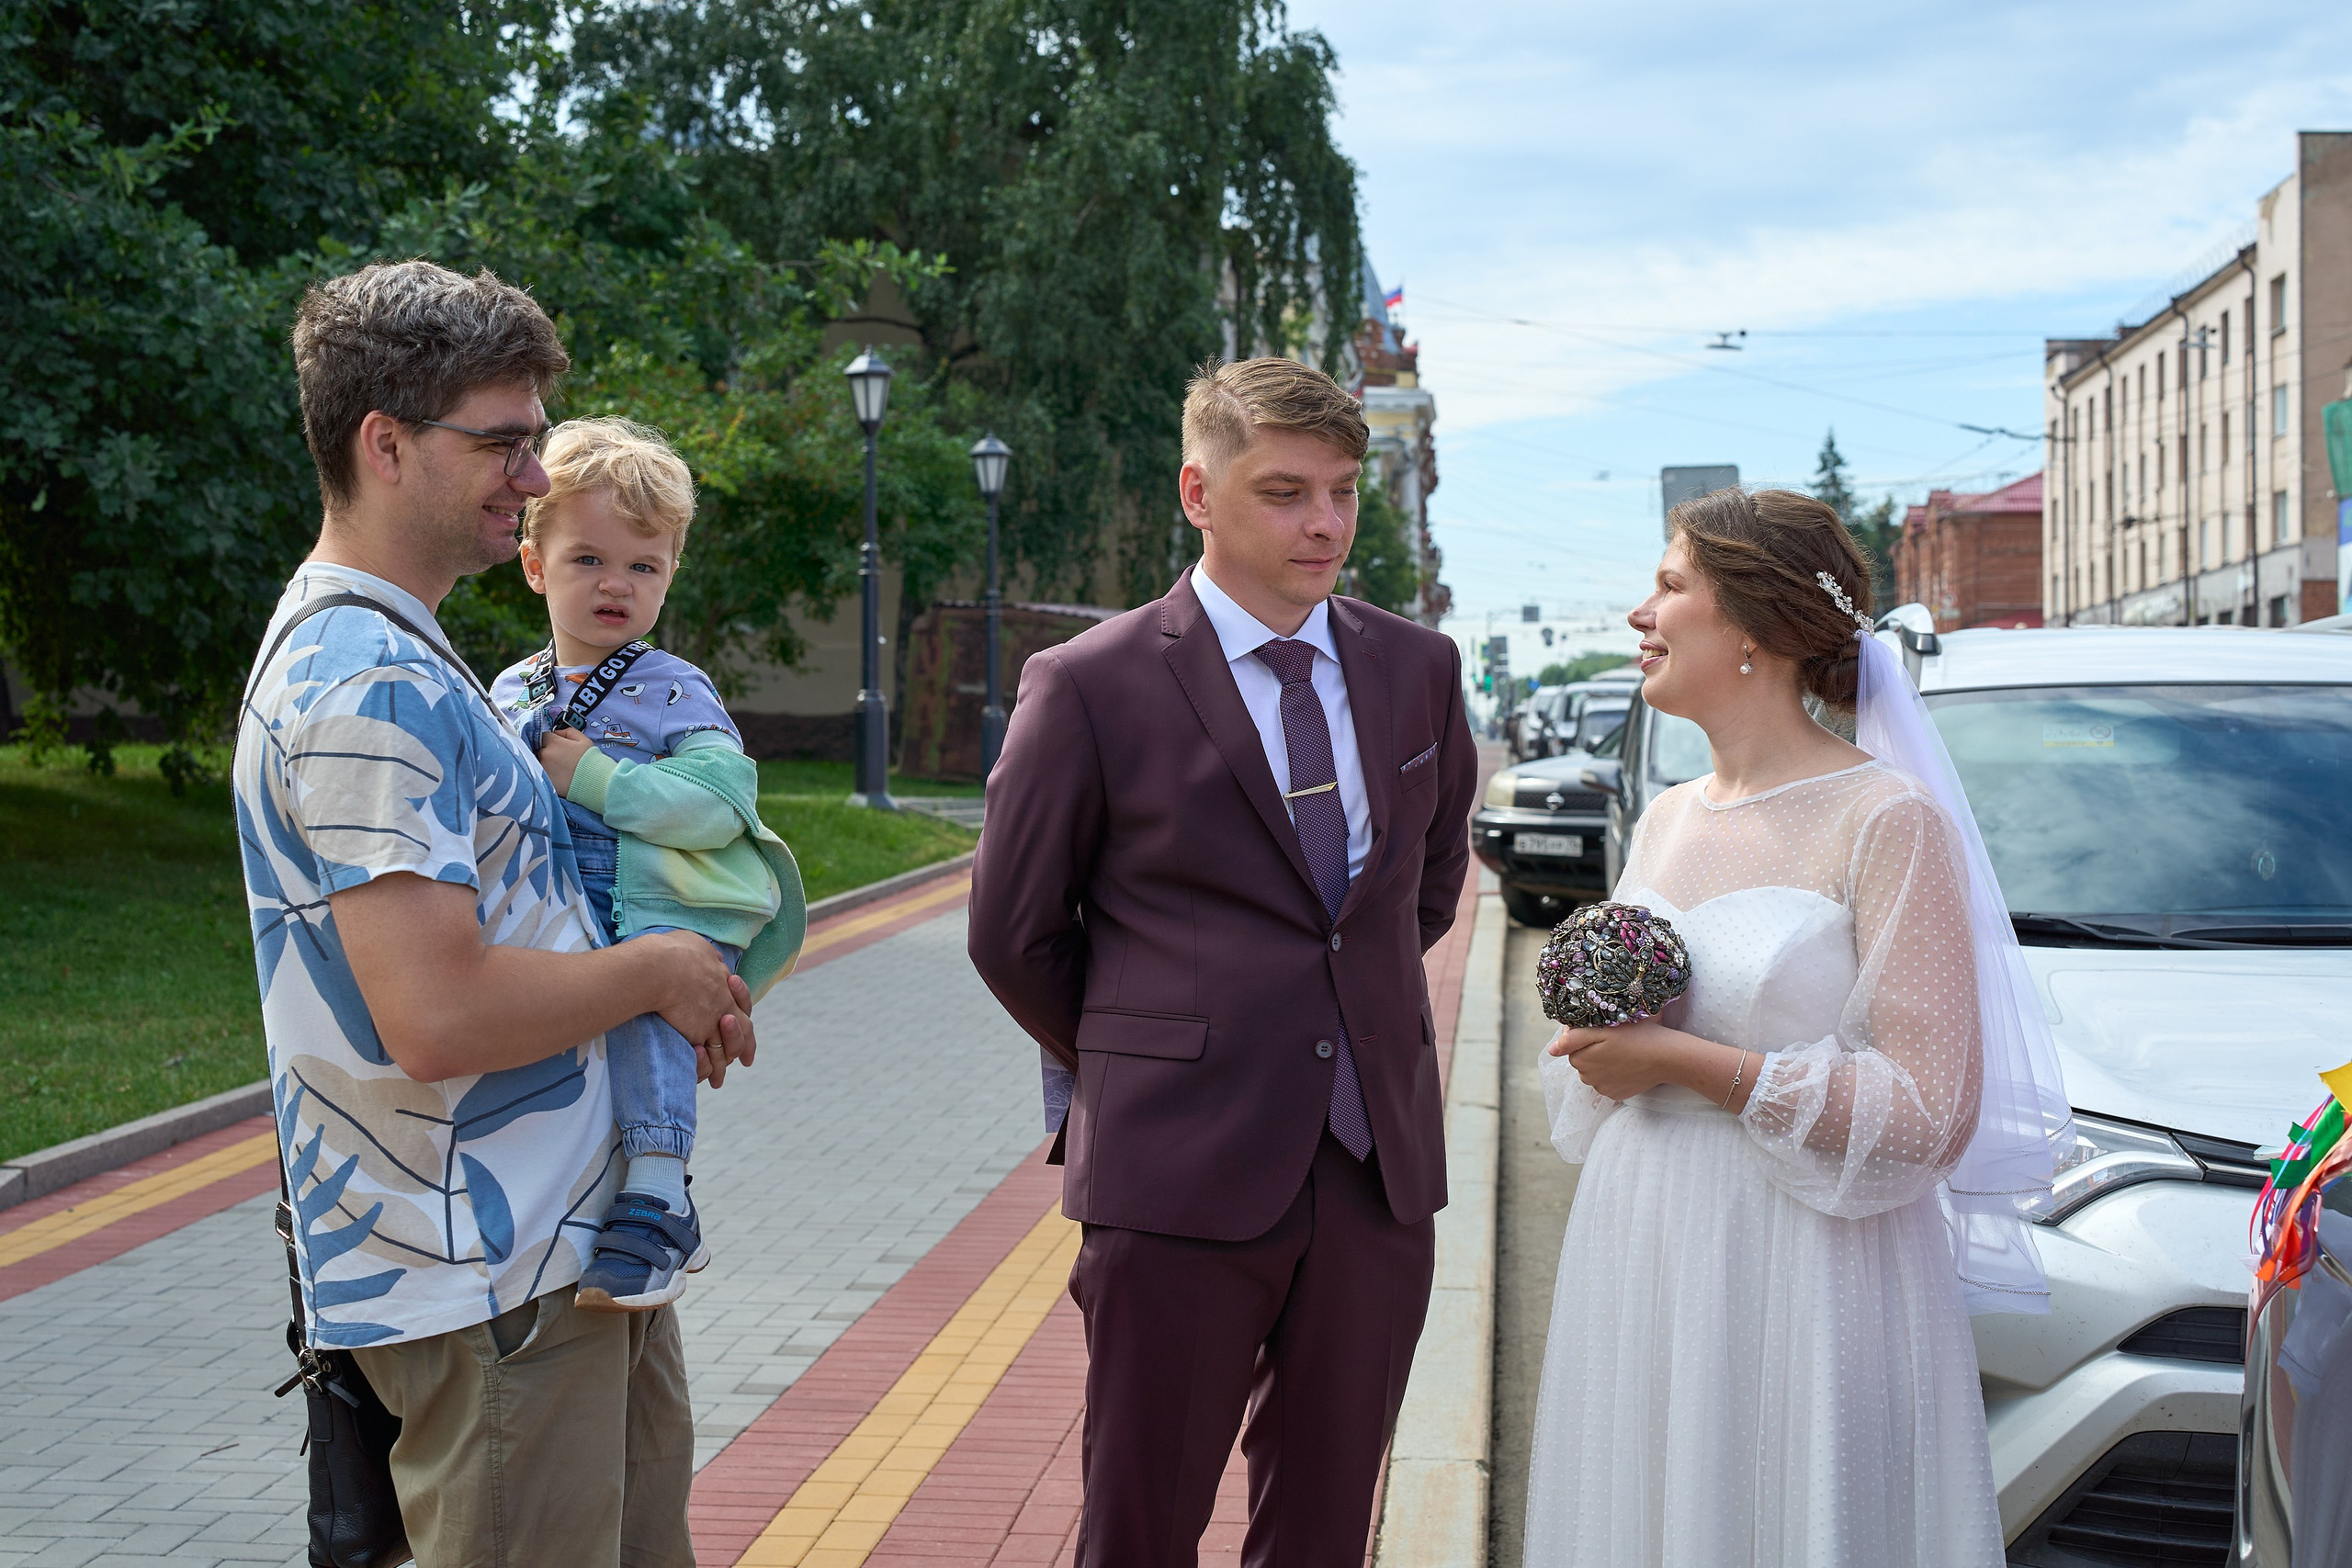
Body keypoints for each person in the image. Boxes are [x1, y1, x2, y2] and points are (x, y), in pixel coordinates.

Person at [234, 259, 753, 1566]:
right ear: (386, 443)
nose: (531, 475)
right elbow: (439, 1013)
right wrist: (659, 972)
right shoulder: (368, 678)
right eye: (502, 442)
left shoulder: (405, 651)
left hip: (546, 1258)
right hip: (486, 1278)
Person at [968, 356, 1478, 1566]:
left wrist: (1333, 1028)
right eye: (1285, 492)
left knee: (1325, 1526)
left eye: (1342, 491)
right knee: (1141, 1526)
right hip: (1176, 1174)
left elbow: (1422, 887)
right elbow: (1015, 932)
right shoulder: (1089, 682)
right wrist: (1152, 1052)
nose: (1325, 523)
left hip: (1374, 1172)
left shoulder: (1418, 667)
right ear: (1199, 493)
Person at [1522, 488, 2065, 1567]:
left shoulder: (1886, 819)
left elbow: (1931, 1111)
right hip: (1646, 1239)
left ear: (1754, 627)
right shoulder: (1667, 817)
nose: (1639, 613)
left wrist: (1681, 1060)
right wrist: (1599, 1048)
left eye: (1670, 586)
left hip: (1800, 1262)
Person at [490, 416, 807, 1313]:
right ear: (534, 564)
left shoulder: (672, 687)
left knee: (645, 993)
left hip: (651, 901)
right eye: (588, 559)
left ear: (670, 574)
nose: (615, 584)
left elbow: (720, 802)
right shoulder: (508, 690)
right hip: (551, 900)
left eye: (643, 565)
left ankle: (661, 1189)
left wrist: (594, 775)